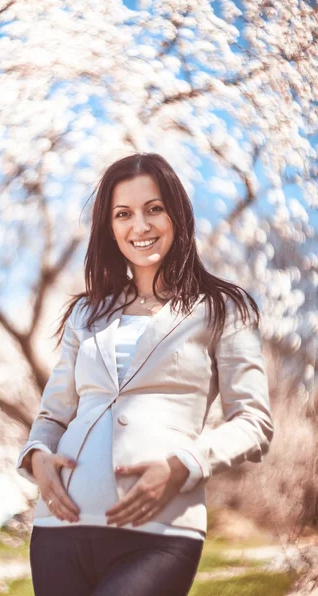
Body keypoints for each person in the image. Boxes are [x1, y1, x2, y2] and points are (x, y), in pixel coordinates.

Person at [16, 152, 274, 596]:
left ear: (177, 214)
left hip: (163, 530)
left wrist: (183, 466)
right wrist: (37, 458)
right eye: (124, 214)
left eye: (154, 208)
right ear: (109, 227)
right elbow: (53, 415)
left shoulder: (222, 309)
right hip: (59, 528)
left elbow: (254, 423)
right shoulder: (85, 312)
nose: (141, 226)